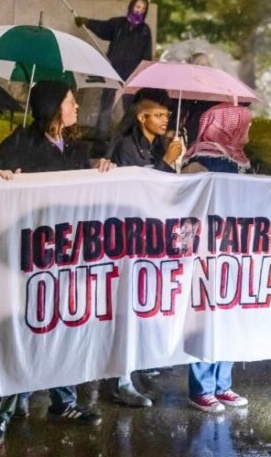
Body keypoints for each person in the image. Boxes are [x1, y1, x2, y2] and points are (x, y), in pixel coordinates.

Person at [0, 81, 113, 445]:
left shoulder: (75, 149)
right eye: (71, 102)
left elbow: (86, 187)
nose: (76, 109)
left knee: (63, 326)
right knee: (24, 329)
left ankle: (63, 401)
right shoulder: (18, 145)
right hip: (28, 259)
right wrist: (2, 180)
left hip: (66, 256)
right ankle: (4, 408)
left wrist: (99, 167)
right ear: (54, 106)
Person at [105, 95, 185, 408]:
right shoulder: (127, 147)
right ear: (142, 118)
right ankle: (121, 381)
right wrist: (166, 162)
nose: (165, 120)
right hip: (126, 238)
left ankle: (130, 375)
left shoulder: (151, 146)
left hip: (145, 238)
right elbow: (142, 189)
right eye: (158, 115)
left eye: (167, 115)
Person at [182, 103, 252, 412]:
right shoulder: (200, 163)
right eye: (244, 126)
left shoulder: (239, 163)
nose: (248, 132)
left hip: (232, 253)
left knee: (229, 318)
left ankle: (222, 384)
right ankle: (201, 388)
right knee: (205, 320)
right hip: (205, 254)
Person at [75, 0, 154, 150]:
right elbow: (103, 28)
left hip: (132, 77)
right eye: (138, 7)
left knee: (130, 110)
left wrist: (142, 76)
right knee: (106, 107)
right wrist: (87, 22)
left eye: (143, 9)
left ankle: (128, 142)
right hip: (113, 73)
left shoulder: (145, 31)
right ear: (132, 6)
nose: (139, 11)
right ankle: (99, 141)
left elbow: (147, 55)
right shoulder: (118, 24)